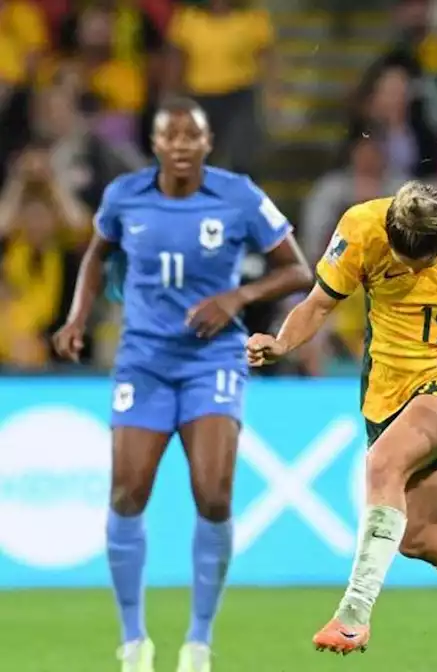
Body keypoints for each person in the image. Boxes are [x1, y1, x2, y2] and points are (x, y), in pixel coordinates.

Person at [242, 182, 437, 671]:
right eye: (403, 259)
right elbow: (318, 304)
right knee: (419, 536)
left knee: (382, 463)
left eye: (422, 261)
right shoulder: (361, 228)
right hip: (387, 389)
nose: (411, 270)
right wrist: (282, 344)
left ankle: (354, 610)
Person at [50, 97, 312, 672]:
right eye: (171, 137)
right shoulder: (124, 196)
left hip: (211, 359)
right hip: (143, 360)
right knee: (127, 493)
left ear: (208, 141)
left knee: (213, 495)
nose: (182, 146)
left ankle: (198, 641)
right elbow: (96, 256)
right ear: (156, 144)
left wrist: (236, 298)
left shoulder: (238, 194)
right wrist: (76, 317)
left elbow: (298, 268)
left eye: (192, 136)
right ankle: (133, 640)